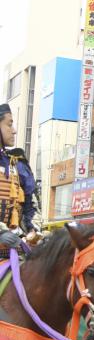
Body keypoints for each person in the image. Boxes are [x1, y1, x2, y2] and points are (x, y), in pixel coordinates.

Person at [0, 104, 38, 247]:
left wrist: (33, 230)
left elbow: (31, 204)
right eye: (9, 125)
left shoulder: (17, 164)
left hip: (15, 246)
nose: (14, 131)